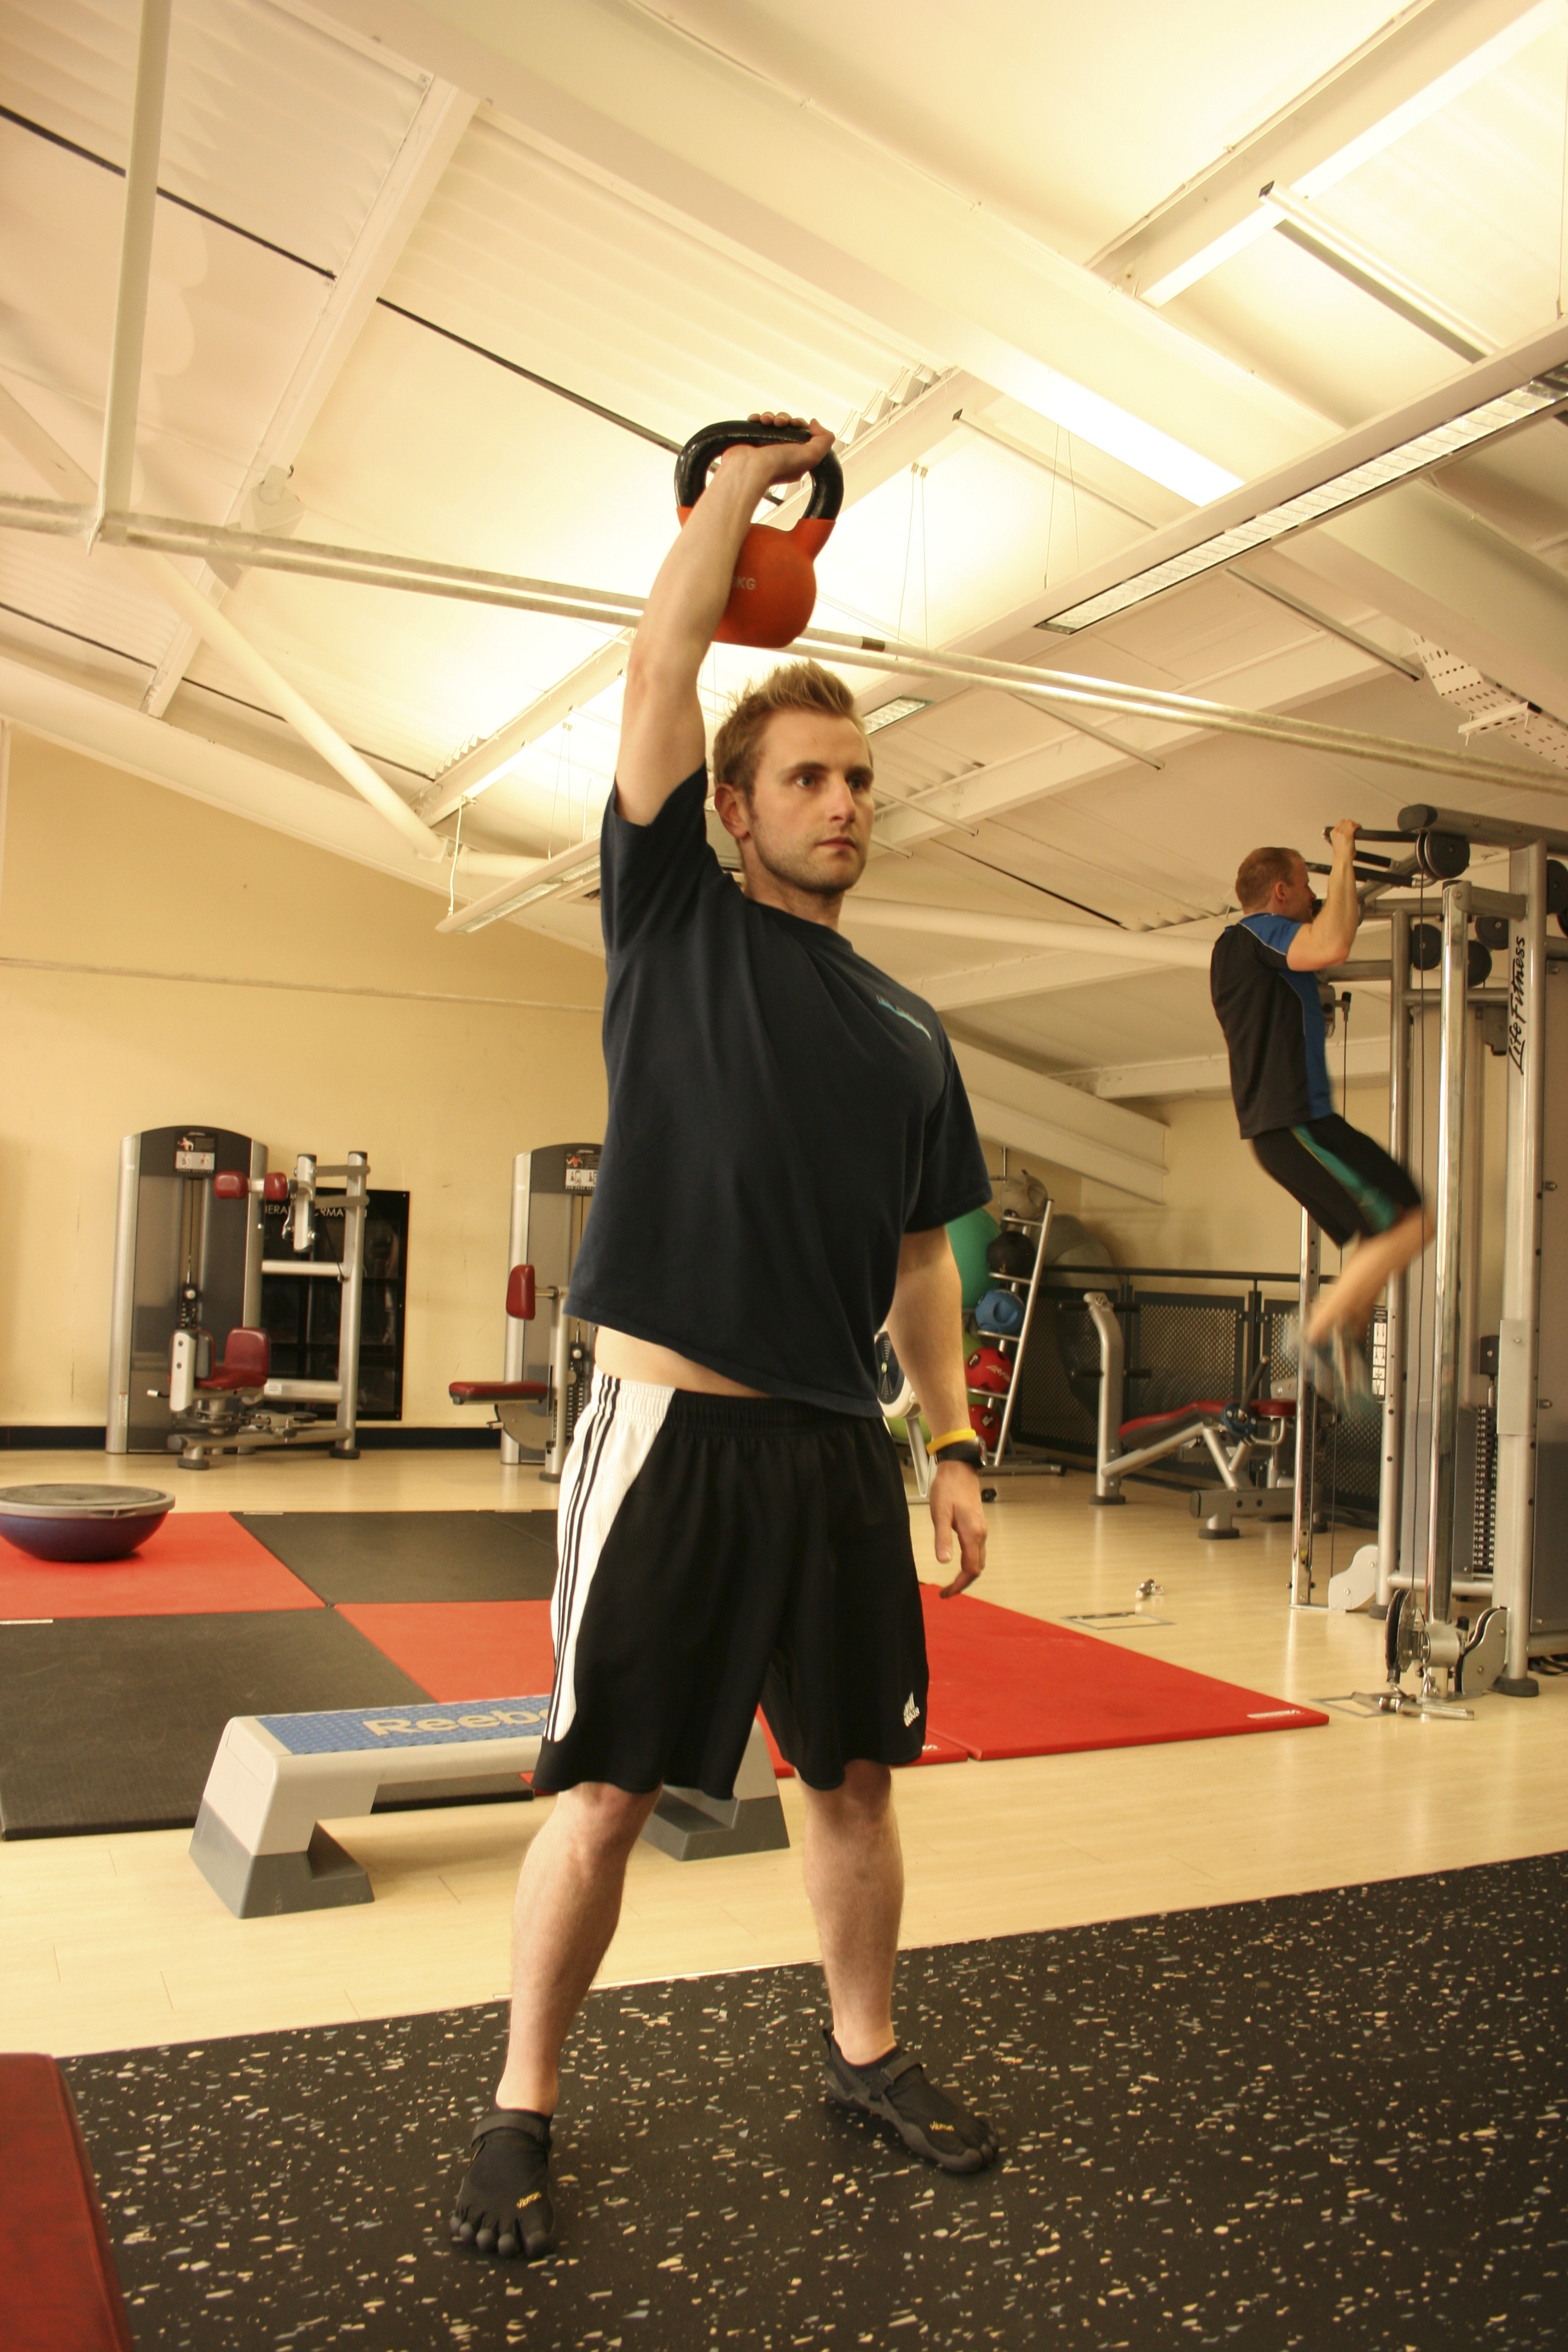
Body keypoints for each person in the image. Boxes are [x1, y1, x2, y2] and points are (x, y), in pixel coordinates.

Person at [449, 413, 1001, 2263]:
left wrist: (955, 1438)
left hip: (837, 1448)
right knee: (606, 1790)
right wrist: (733, 499)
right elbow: (667, 662)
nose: (844, 801)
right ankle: (523, 2100)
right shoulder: (672, 922)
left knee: (848, 1777)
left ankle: (865, 2053)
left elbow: (923, 1260)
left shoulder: (914, 1031)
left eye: (860, 778)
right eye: (809, 778)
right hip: (669, 1431)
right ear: (738, 808)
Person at [1210, 822, 1433, 1396]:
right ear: (1280, 893)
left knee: (1400, 1224)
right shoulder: (1256, 935)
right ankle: (1313, 1332)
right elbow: (1334, 941)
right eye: (1307, 886)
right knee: (1394, 1227)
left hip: (1299, 1125)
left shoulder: (1256, 949)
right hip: (1293, 1126)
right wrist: (1342, 852)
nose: (1314, 897)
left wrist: (1340, 883)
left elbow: (1334, 931)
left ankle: (1344, 1334)